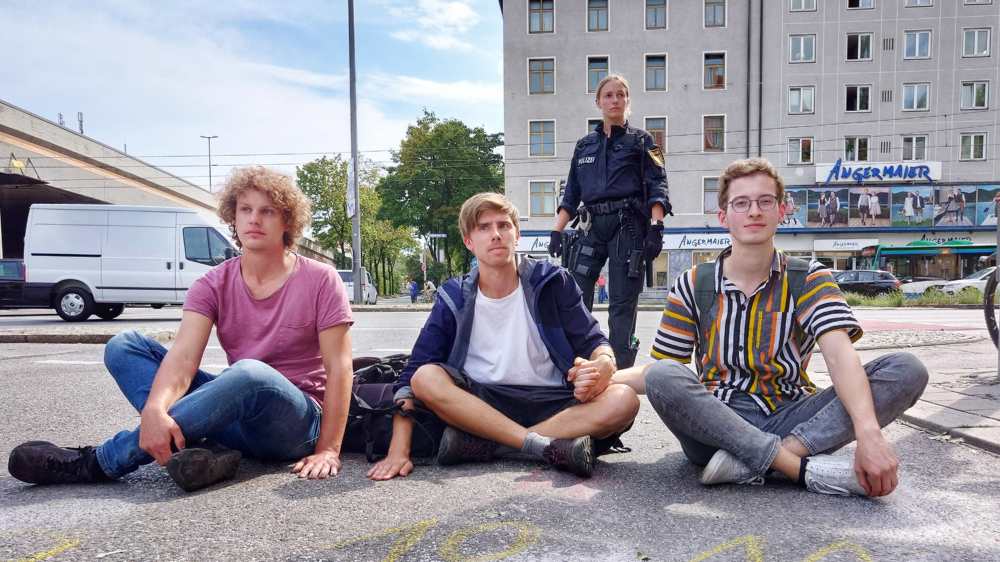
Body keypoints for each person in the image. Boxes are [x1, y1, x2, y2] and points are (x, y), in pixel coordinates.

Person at [8, 167, 356, 491]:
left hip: (293, 424)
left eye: (267, 211)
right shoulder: (212, 283)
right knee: (124, 345)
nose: (254, 219)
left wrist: (328, 449)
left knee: (249, 374)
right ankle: (200, 450)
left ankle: (101, 462)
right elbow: (184, 359)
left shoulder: (320, 279)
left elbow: (339, 369)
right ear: (232, 217)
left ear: (286, 221)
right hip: (233, 413)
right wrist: (156, 410)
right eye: (245, 209)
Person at [613, 158, 928, 497]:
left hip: (792, 416)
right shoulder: (692, 283)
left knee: (906, 369)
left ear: (781, 211)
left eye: (765, 201)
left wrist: (870, 434)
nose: (754, 212)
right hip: (714, 425)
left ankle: (758, 462)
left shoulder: (808, 277)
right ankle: (798, 469)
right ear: (724, 217)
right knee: (664, 374)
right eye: (741, 203)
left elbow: (840, 355)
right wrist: (602, 375)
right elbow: (664, 370)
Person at [378, 192, 639, 480]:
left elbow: (594, 342)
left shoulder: (553, 281)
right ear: (469, 242)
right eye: (484, 228)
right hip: (480, 403)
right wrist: (398, 450)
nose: (496, 235)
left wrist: (604, 363)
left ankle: (495, 444)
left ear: (517, 235)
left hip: (554, 402)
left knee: (624, 400)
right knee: (426, 378)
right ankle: (549, 445)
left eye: (504, 225)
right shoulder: (453, 296)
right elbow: (413, 374)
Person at [547, 74, 671, 369]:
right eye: (608, 95)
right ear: (598, 102)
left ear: (628, 101)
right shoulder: (583, 146)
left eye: (621, 95)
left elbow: (659, 185)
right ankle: (577, 363)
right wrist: (556, 230)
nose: (614, 100)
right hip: (590, 226)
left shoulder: (645, 141)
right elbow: (571, 194)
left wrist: (656, 227)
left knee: (621, 305)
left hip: (627, 226)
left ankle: (620, 373)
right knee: (574, 296)